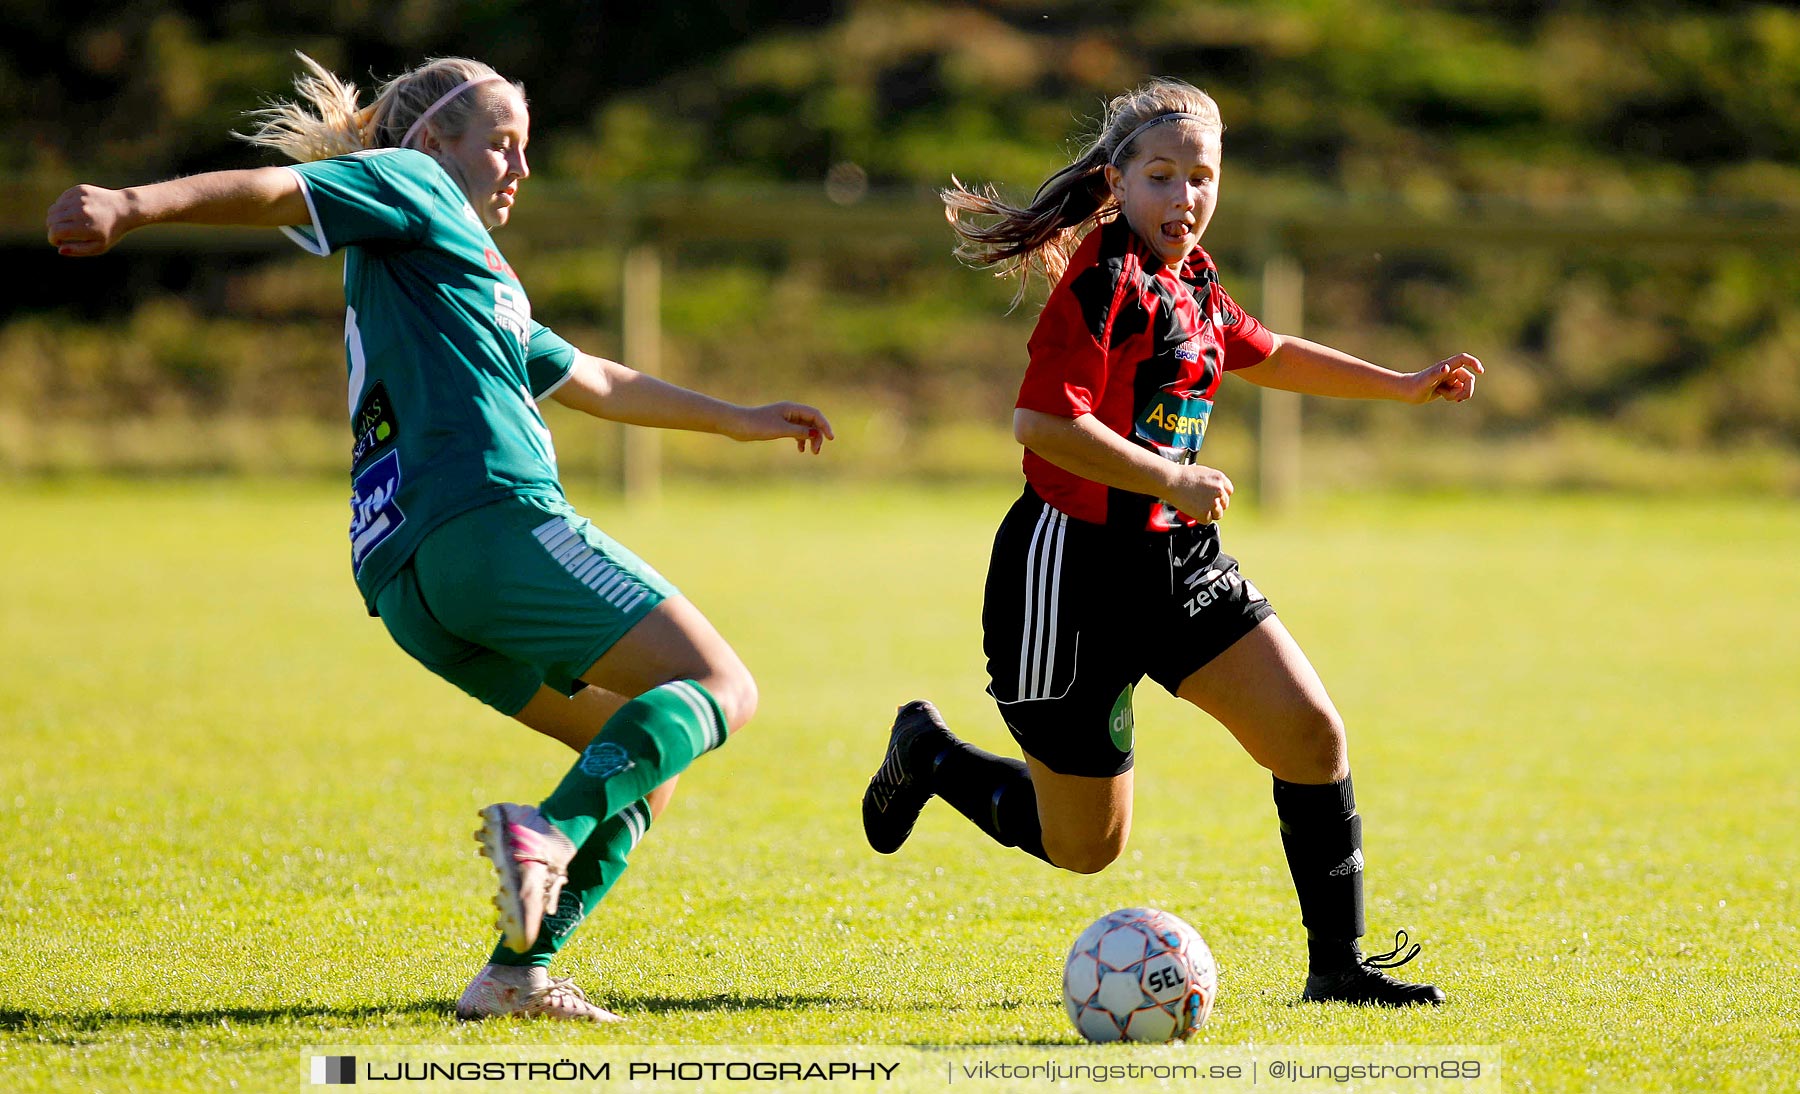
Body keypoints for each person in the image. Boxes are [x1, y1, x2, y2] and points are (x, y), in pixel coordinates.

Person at [47, 53, 834, 1022]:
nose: (520, 167)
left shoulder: (466, 267)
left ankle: (516, 973)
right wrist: (131, 203)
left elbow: (589, 376)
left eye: (526, 149)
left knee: (633, 766)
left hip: (410, 579)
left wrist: (737, 417)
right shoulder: (411, 182)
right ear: (433, 141)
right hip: (487, 518)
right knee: (723, 686)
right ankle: (543, 839)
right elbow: (275, 190)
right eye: (502, 142)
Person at [861, 78, 1482, 1007]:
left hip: (1176, 562)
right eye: (1161, 177)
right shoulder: (1104, 279)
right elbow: (1040, 422)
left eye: (1201, 178)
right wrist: (1168, 477)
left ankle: (1338, 970)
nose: (1183, 198)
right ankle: (933, 755)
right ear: (1117, 182)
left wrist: (1402, 384)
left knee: (1312, 738)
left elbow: (1263, 349)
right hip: (1065, 577)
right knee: (1086, 848)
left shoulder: (1192, 279)